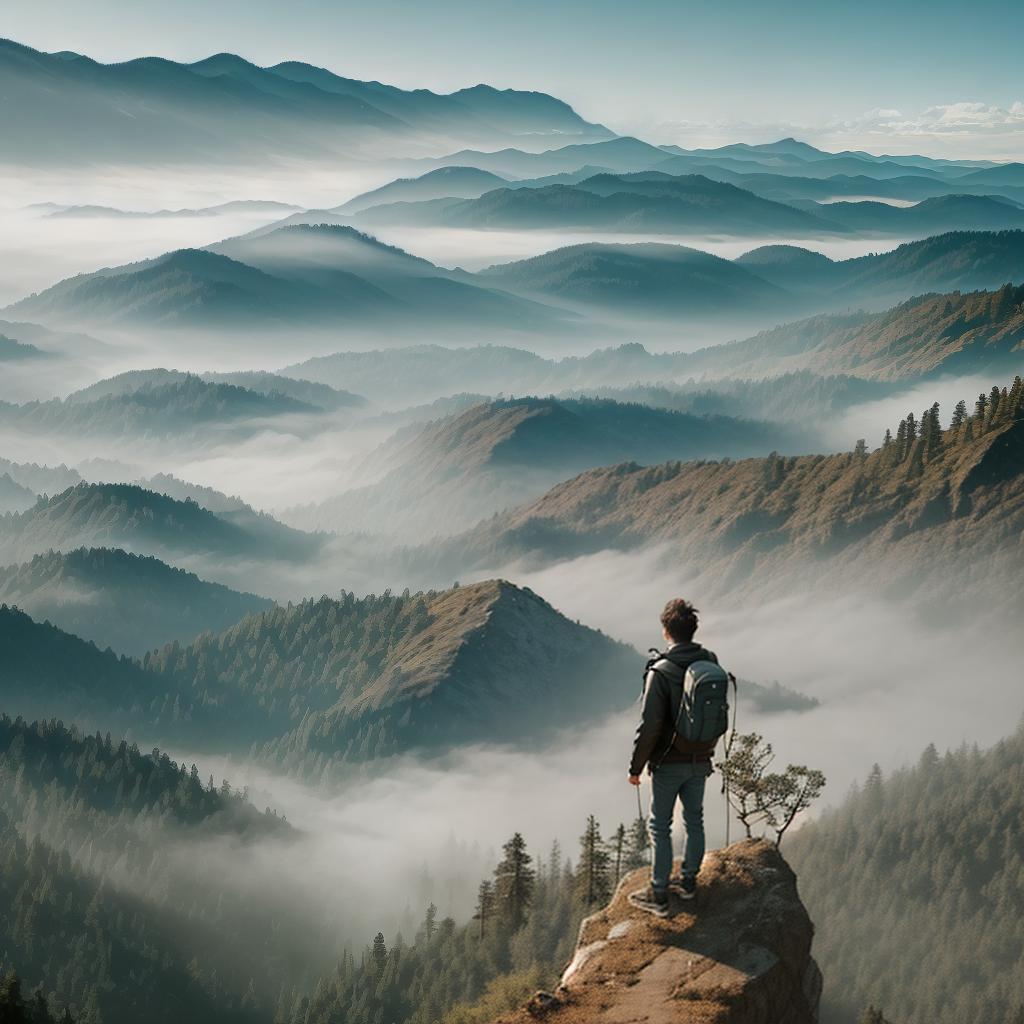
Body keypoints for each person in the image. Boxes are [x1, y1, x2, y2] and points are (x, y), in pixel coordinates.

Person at [628, 598, 719, 915]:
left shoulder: (660, 672)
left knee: (660, 827)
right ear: (693, 630)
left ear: (666, 631)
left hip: (668, 763)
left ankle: (659, 895)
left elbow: (650, 726)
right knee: (695, 820)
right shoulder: (710, 661)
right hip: (701, 758)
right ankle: (690, 883)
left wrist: (635, 767)